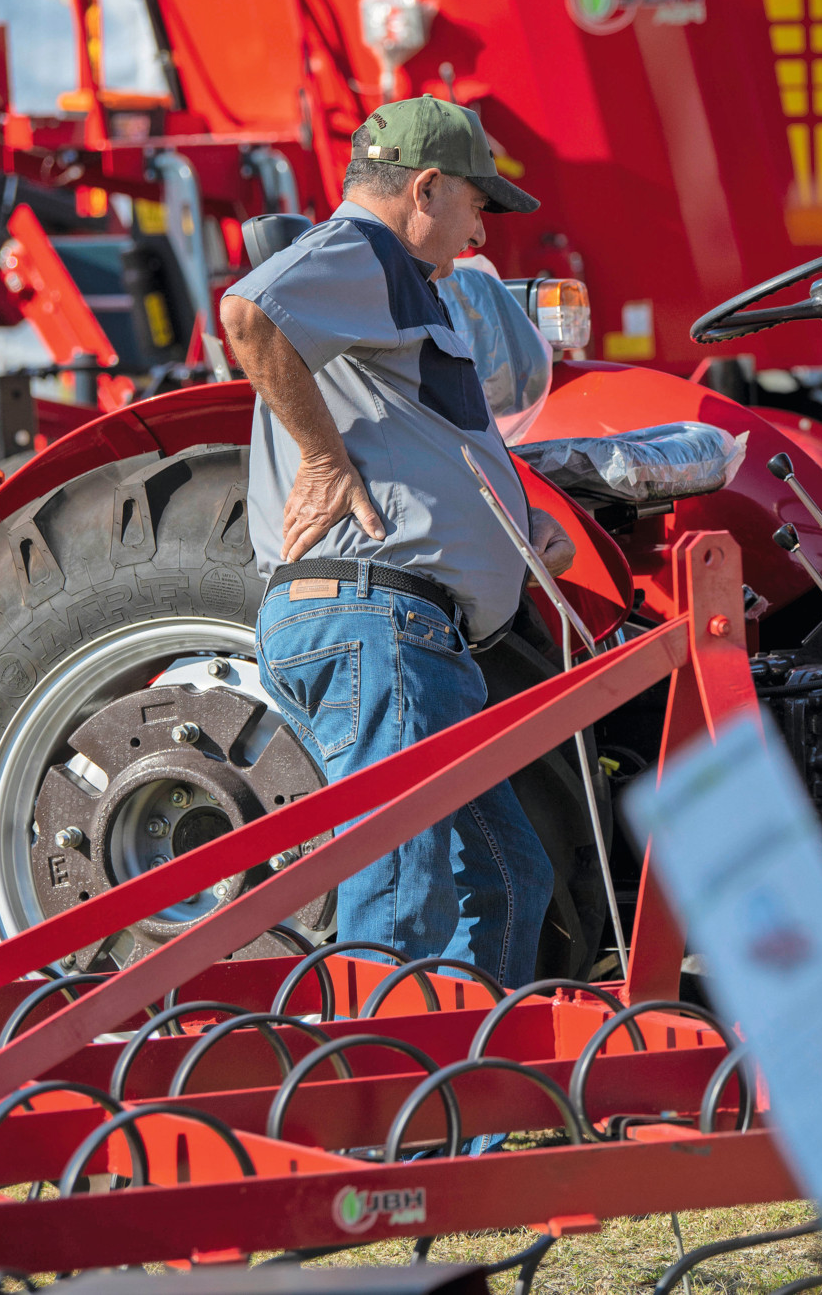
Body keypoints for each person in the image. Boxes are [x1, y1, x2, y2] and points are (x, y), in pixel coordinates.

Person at [221, 96, 570, 992]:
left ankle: (453, 1106)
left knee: (508, 875)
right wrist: (325, 461)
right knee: (401, 883)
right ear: (425, 188)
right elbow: (249, 316)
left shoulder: (397, 279)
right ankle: (376, 1109)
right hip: (380, 624)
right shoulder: (365, 250)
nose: (482, 229)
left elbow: (410, 441)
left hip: (409, 635)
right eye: (478, 203)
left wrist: (519, 539)